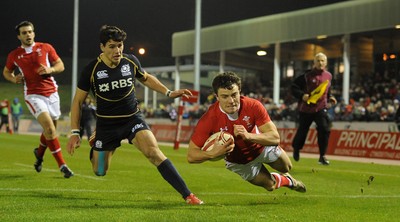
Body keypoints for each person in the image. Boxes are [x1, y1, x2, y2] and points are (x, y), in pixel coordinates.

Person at [66, 25, 203, 205]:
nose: (117, 50)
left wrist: (168, 92)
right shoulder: (91, 70)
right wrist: (75, 132)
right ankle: (97, 144)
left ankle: (188, 195)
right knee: (100, 171)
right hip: (107, 125)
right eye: (112, 46)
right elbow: (77, 102)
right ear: (102, 47)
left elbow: (145, 78)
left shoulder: (130, 61)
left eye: (120, 45)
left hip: (132, 119)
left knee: (153, 152)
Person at [187, 72, 306, 195]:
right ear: (216, 97)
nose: (231, 101)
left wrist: (249, 136)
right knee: (270, 185)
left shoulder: (253, 106)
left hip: (261, 148)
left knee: (286, 167)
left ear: (240, 92)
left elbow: (275, 137)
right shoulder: (209, 119)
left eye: (234, 95)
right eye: (225, 96)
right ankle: (288, 181)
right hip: (238, 161)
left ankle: (286, 174)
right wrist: (212, 154)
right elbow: (191, 155)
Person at [3, 21, 74, 178]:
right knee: (49, 129)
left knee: (50, 130)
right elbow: (7, 72)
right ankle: (63, 166)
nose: (28, 34)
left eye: (30, 31)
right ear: (19, 36)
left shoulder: (45, 47)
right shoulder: (14, 55)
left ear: (34, 33)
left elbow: (60, 65)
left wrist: (51, 69)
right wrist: (14, 79)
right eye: (24, 32)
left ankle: (39, 154)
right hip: (33, 95)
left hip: (52, 93)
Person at [290, 52, 337, 165]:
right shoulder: (306, 76)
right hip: (306, 109)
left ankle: (322, 156)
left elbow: (326, 90)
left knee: (324, 129)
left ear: (325, 63)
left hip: (321, 108)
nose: (320, 63)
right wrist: (302, 95)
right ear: (314, 63)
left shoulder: (329, 76)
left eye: (322, 61)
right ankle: (296, 148)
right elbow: (293, 87)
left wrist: (330, 97)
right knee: (302, 131)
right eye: (318, 60)